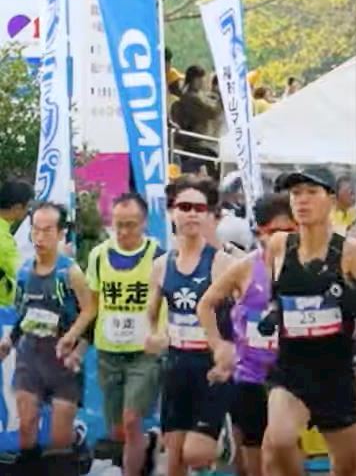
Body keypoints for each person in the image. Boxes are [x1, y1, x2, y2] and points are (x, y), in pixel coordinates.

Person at [260, 167, 356, 476]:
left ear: (330, 200)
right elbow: (274, 294)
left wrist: (338, 297)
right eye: (296, 194)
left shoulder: (350, 251)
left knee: (345, 466)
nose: (302, 201)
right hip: (291, 368)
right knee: (281, 438)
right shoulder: (278, 245)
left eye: (311, 193)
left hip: (335, 373)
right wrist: (273, 314)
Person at [145, 175, 238, 476]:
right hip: (176, 366)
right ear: (172, 211)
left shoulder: (222, 262)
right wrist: (155, 335)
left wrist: (229, 351)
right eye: (185, 206)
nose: (193, 213)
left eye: (200, 208)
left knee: (195, 454)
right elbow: (152, 315)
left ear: (210, 214)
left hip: (210, 369)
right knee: (174, 460)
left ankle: (221, 438)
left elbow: (246, 313)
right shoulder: (161, 265)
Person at [197, 194, 294, 476]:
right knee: (254, 458)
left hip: (291, 373)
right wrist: (218, 345)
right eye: (275, 231)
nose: (282, 240)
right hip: (250, 373)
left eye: (290, 232)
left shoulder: (304, 268)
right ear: (259, 233)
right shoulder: (246, 268)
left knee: (283, 450)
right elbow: (205, 304)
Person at [0, 202, 95, 475]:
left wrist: (74, 341)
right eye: (35, 231)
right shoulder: (24, 271)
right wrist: (9, 342)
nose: (40, 238)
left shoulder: (70, 273)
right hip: (30, 359)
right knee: (27, 425)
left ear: (61, 232)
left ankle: (75, 445)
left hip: (62, 362)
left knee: (57, 441)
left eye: (47, 231)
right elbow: (24, 314)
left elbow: (90, 311)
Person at [88, 193, 166, 476]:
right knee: (119, 429)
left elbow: (165, 304)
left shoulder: (158, 257)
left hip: (143, 353)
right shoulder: (98, 256)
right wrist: (77, 340)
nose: (123, 231)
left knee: (132, 419)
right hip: (109, 352)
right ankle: (147, 444)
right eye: (118, 224)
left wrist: (161, 336)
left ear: (144, 223)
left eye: (130, 225)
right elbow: (92, 305)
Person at [0, 179, 34, 306]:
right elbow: (23, 273)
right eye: (28, 207)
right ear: (17, 208)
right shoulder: (3, 240)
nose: (29, 212)